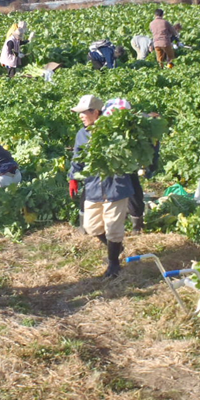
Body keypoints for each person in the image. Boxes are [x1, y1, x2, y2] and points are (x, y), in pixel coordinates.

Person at [68, 95, 134, 278]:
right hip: (94, 186)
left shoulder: (115, 131)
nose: (81, 116)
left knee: (113, 227)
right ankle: (117, 248)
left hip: (116, 186)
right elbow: (77, 158)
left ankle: (114, 263)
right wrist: (73, 178)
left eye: (84, 112)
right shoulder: (82, 134)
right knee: (91, 226)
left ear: (96, 112)